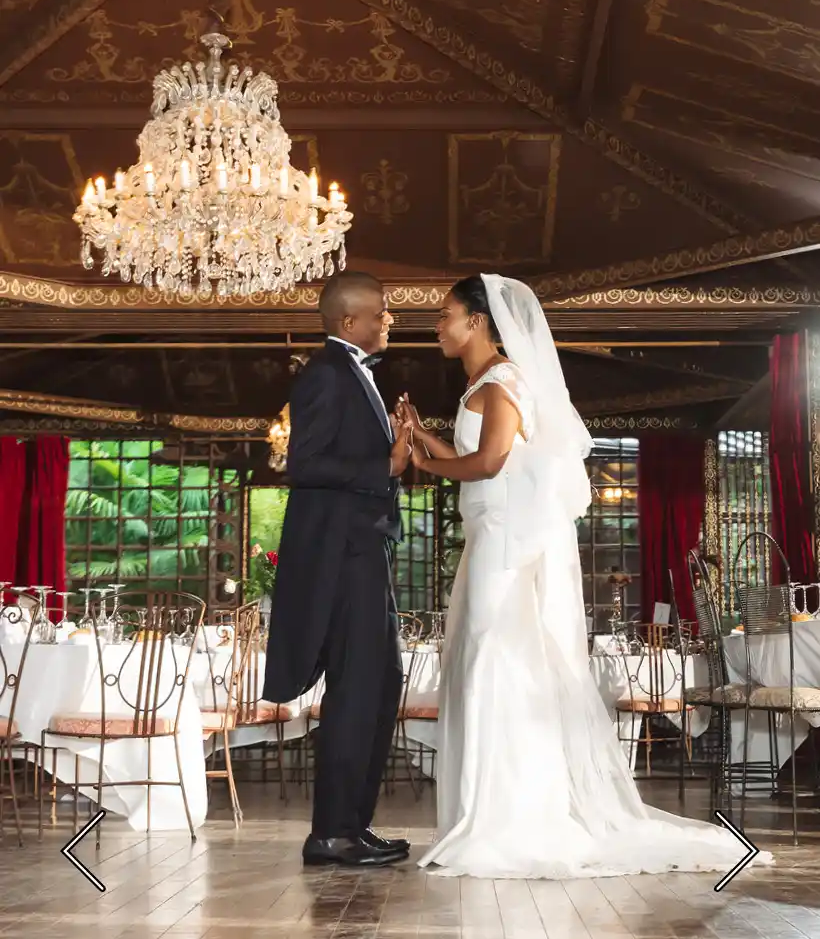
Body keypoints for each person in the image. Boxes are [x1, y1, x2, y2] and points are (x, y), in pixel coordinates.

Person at [399, 273, 773, 879]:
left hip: (502, 548)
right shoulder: (482, 384)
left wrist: (427, 461)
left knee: (496, 664)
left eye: (445, 315)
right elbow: (490, 462)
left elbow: (490, 463)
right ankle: (484, 809)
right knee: (478, 665)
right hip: (487, 541)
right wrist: (425, 441)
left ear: (478, 321)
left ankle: (508, 817)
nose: (436, 325)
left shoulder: (500, 382)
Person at [263, 271, 414, 868]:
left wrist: (392, 453)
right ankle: (330, 834)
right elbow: (305, 463)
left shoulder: (356, 374)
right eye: (381, 313)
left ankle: (352, 824)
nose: (388, 320)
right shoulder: (325, 374)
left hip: (365, 552)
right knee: (355, 694)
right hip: (343, 556)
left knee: (378, 690)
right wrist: (388, 462)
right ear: (350, 322)